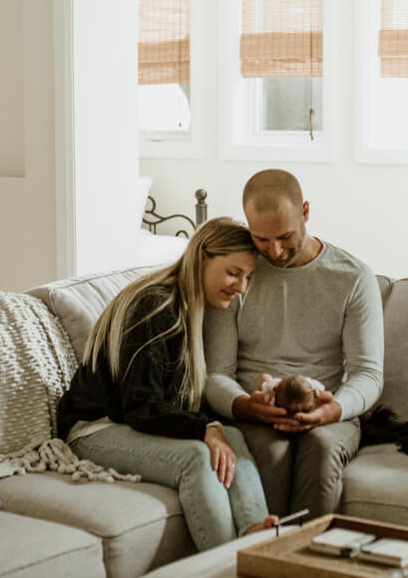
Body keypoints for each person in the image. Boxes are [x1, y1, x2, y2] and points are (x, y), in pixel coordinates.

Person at [57, 217, 278, 550]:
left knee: (231, 435)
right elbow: (140, 406)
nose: (242, 287)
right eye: (234, 273)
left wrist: (218, 425)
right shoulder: (156, 305)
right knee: (195, 456)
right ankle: (224, 564)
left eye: (248, 277)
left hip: (125, 423)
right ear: (202, 257)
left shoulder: (189, 307)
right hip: (93, 430)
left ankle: (254, 537)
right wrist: (206, 428)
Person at [203, 170, 384, 517]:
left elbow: (368, 374)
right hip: (254, 408)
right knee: (269, 456)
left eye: (285, 236)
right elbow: (217, 373)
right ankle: (261, 561)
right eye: (261, 239)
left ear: (305, 211)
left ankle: (307, 565)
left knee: (320, 453)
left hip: (329, 410)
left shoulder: (353, 277)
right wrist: (245, 406)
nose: (275, 251)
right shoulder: (238, 273)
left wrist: (334, 409)